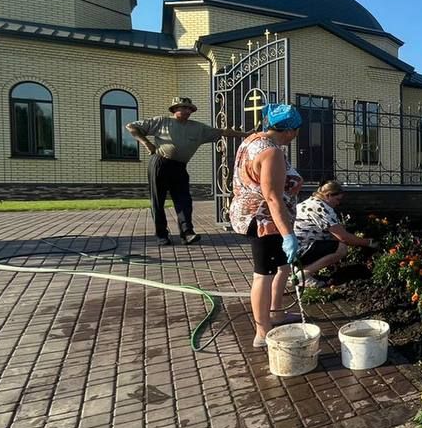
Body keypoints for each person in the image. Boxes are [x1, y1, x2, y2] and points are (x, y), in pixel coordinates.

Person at [228, 103, 305, 348]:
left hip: (259, 215)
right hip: (263, 221)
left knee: (282, 268)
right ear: (290, 130)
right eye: (296, 130)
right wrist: (288, 235)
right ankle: (262, 332)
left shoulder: (253, 140)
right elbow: (272, 197)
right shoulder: (271, 152)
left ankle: (276, 313)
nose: (296, 135)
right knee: (264, 274)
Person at [127, 97, 248, 246]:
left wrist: (247, 135)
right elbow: (131, 126)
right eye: (182, 107)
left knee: (184, 200)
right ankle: (161, 235)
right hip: (160, 163)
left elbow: (224, 132)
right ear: (174, 109)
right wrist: (147, 143)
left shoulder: (198, 128)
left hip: (180, 167)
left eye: (189, 108)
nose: (186, 111)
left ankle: (187, 233)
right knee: (158, 200)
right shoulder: (162, 122)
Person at [292, 181, 374, 286]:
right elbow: (343, 237)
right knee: (341, 248)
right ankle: (303, 276)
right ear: (328, 195)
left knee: (333, 241)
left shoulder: (310, 202)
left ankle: (298, 270)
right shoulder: (321, 208)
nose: (338, 203)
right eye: (337, 199)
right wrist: (369, 242)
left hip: (294, 248)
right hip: (301, 250)